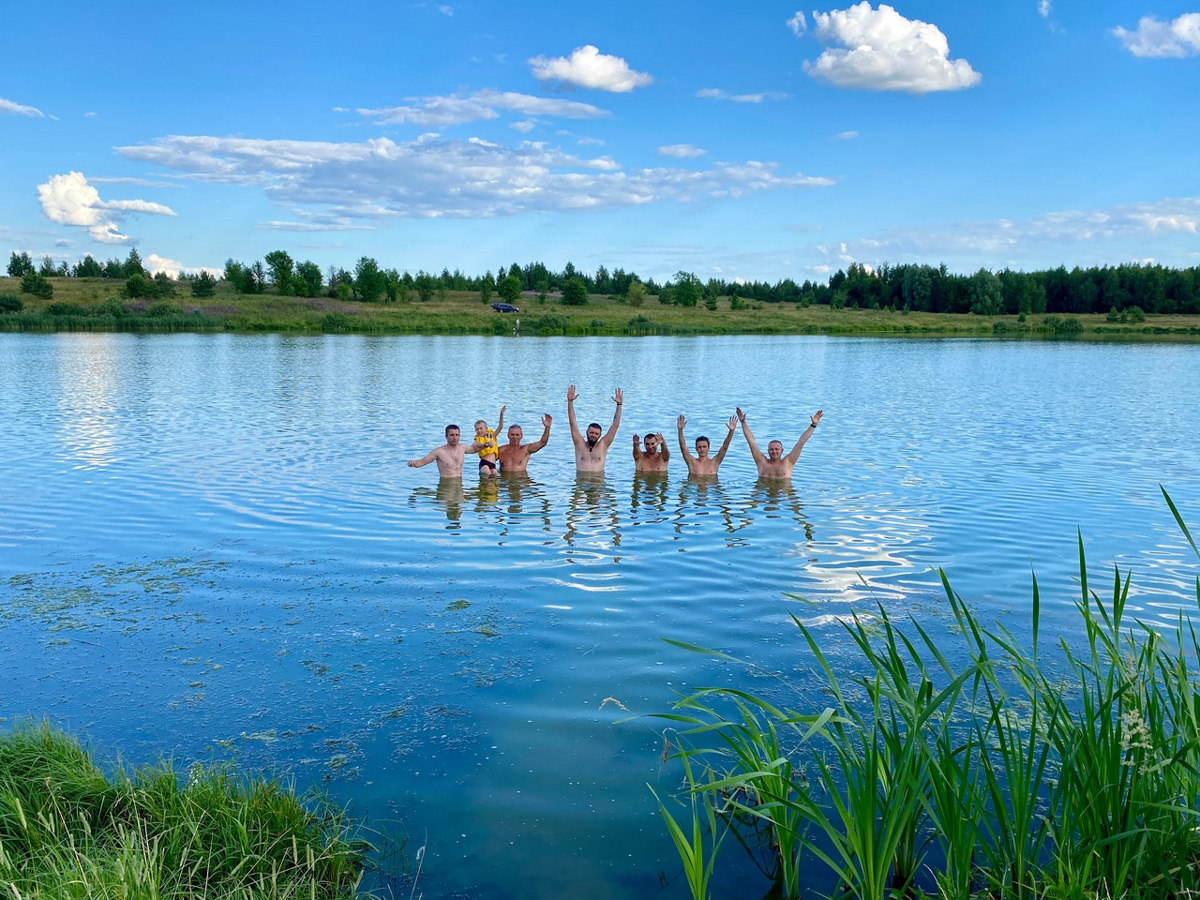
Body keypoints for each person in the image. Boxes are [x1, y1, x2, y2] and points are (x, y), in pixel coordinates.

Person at [736, 407, 824, 480]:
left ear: (782, 451)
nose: (774, 451)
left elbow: (801, 442)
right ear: (768, 451)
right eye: (771, 449)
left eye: (776, 449)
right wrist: (743, 422)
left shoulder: (788, 462)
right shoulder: (761, 462)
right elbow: (751, 441)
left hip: (783, 494)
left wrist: (813, 425)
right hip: (764, 493)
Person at [567, 384, 622, 473]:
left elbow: (615, 426)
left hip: (598, 481)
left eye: (596, 434)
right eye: (591, 432)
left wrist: (619, 405)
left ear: (600, 435)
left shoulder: (603, 445)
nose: (593, 435)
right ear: (587, 432)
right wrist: (570, 402)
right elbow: (572, 423)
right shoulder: (579, 444)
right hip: (582, 481)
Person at [408, 424, 479, 478]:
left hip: (459, 484)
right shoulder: (439, 452)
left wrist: (484, 443)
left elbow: (474, 449)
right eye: (452, 435)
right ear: (446, 436)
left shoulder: (462, 447)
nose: (455, 438)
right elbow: (421, 462)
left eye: (457, 435)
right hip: (446, 485)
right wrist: (413, 463)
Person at [470, 406, 505, 475]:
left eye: (481, 428)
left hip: (493, 464)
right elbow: (472, 447)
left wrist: (501, 415)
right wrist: (485, 444)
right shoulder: (477, 439)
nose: (479, 431)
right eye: (477, 429)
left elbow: (500, 427)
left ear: (486, 428)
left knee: (494, 472)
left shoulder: (492, 436)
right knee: (486, 470)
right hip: (484, 463)